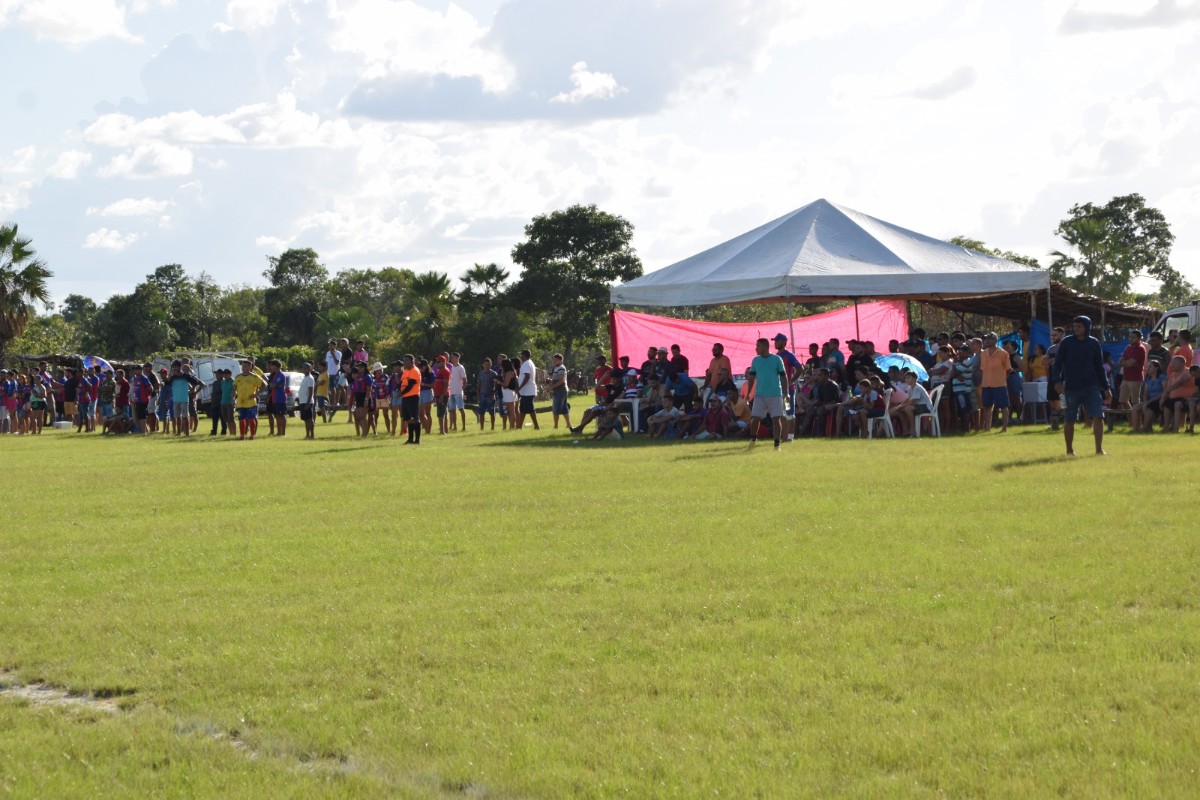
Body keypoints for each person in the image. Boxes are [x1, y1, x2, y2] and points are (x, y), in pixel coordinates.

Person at [1053, 316, 1111, 456]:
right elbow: (1058, 364)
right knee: (1069, 419)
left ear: (1087, 327)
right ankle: (1069, 450)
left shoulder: (1094, 343)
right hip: (1070, 388)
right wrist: (1057, 381)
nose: (1076, 328)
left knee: (1098, 416)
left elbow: (1099, 367)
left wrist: (1106, 387)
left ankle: (1098, 449)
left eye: (1079, 326)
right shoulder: (1067, 342)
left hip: (1091, 387)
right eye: (1075, 326)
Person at [745, 337, 787, 449]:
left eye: (758, 345)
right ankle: (753, 439)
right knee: (755, 418)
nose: (756, 348)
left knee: (776, 419)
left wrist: (786, 392)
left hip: (775, 394)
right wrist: (748, 393)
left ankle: (777, 444)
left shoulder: (777, 359)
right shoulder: (755, 360)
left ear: (765, 346)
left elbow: (783, 376)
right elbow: (751, 377)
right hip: (760, 394)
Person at [978, 333, 1011, 433]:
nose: (987, 341)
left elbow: (1008, 369)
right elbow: (982, 369)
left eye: (990, 339)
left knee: (1003, 406)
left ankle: (1004, 427)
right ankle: (987, 427)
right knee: (987, 406)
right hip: (986, 384)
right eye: (987, 339)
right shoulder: (983, 353)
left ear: (995, 340)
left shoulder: (1003, 353)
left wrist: (1003, 378)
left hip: (999, 384)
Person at [232, 361, 265, 440]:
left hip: (251, 402)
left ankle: (252, 435)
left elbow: (264, 385)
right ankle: (242, 435)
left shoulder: (254, 377)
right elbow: (234, 389)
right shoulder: (238, 377)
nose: (243, 368)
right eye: (243, 366)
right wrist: (233, 398)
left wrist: (256, 394)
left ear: (250, 367)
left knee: (251, 419)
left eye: (246, 366)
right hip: (241, 402)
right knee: (241, 419)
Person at [1130, 358, 1165, 432]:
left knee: (1149, 408)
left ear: (1157, 368)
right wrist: (1146, 402)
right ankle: (1135, 429)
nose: (1147, 368)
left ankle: (1145, 429)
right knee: (1135, 407)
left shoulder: (1162, 377)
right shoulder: (1148, 379)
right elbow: (1146, 393)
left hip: (1160, 400)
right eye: (1147, 366)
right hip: (1150, 401)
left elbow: (1165, 392)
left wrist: (1148, 402)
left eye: (1150, 366)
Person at [1117, 330, 1148, 413]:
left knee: (1135, 401)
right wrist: (1126, 363)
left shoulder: (1140, 349)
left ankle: (1136, 421)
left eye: (1133, 337)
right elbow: (1120, 362)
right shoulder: (1128, 347)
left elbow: (1129, 364)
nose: (1130, 339)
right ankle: (1131, 420)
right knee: (1122, 400)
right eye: (1130, 337)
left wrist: (1126, 363)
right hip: (1126, 377)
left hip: (1136, 378)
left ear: (1139, 338)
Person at [1162, 355, 1192, 433]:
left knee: (1177, 404)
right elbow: (1168, 388)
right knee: (1166, 403)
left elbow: (1179, 383)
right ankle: (1166, 427)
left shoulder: (1188, 372)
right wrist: (1164, 396)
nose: (1172, 365)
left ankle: (1176, 428)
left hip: (1186, 398)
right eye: (1172, 363)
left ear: (1183, 364)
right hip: (1174, 398)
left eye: (1175, 363)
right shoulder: (1172, 375)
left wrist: (1166, 391)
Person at [399, 354, 422, 445]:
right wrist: (398, 389)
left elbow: (411, 385)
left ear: (412, 361)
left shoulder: (415, 370)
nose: (405, 362)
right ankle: (410, 439)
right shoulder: (405, 371)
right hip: (406, 397)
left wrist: (401, 393)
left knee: (415, 418)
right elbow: (402, 382)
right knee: (408, 419)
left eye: (407, 361)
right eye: (404, 361)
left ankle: (417, 440)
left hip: (413, 396)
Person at [546, 353, 571, 430]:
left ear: (560, 360)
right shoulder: (556, 368)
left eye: (555, 360)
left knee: (556, 408)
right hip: (559, 390)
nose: (554, 361)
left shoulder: (561, 368)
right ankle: (568, 424)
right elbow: (555, 379)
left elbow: (561, 381)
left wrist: (551, 387)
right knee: (564, 408)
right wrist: (549, 382)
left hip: (560, 391)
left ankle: (556, 426)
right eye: (553, 360)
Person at [265, 360, 288, 437]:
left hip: (280, 398)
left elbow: (273, 385)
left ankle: (283, 433)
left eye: (272, 366)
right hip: (275, 398)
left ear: (277, 366)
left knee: (282, 415)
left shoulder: (280, 375)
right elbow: (271, 385)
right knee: (277, 416)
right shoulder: (275, 375)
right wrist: (272, 385)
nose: (271, 367)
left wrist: (272, 385)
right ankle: (279, 432)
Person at [516, 349, 539, 430]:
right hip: (526, 391)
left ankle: (536, 426)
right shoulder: (529, 363)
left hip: (528, 391)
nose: (520, 356)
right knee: (522, 409)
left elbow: (527, 376)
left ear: (524, 355)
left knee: (530, 409)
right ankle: (519, 426)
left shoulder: (526, 364)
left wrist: (519, 387)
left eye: (521, 355)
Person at [445, 352, 467, 432]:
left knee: (461, 409)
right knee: (452, 410)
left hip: (458, 391)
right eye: (451, 357)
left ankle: (464, 426)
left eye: (453, 357)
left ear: (458, 358)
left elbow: (465, 380)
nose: (452, 358)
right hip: (451, 391)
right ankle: (455, 426)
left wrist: (462, 389)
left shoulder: (461, 367)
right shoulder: (450, 367)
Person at [476, 358, 497, 430]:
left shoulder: (494, 374)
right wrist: (478, 395)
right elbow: (479, 384)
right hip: (482, 395)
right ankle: (481, 428)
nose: (487, 366)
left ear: (491, 365)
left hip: (490, 395)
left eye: (489, 365)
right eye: (486, 365)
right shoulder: (480, 373)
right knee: (481, 413)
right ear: (483, 365)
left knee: (492, 412)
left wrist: (492, 394)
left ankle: (492, 427)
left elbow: (496, 386)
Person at [297, 362, 316, 439]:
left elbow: (311, 391)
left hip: (307, 401)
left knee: (309, 419)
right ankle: (307, 434)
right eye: (303, 368)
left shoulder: (310, 378)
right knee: (305, 419)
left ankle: (312, 434)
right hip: (302, 401)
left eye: (306, 368)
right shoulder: (304, 377)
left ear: (309, 369)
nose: (304, 370)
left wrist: (308, 402)